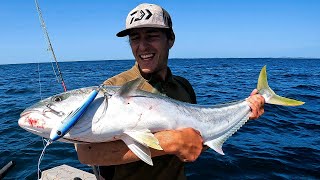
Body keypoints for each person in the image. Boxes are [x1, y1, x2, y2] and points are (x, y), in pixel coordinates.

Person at [75, 3, 265, 180]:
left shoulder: (183, 87)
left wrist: (244, 112)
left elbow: (196, 142)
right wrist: (169, 142)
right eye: (135, 38)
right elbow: (86, 152)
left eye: (151, 36)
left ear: (171, 39)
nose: (142, 46)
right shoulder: (114, 87)